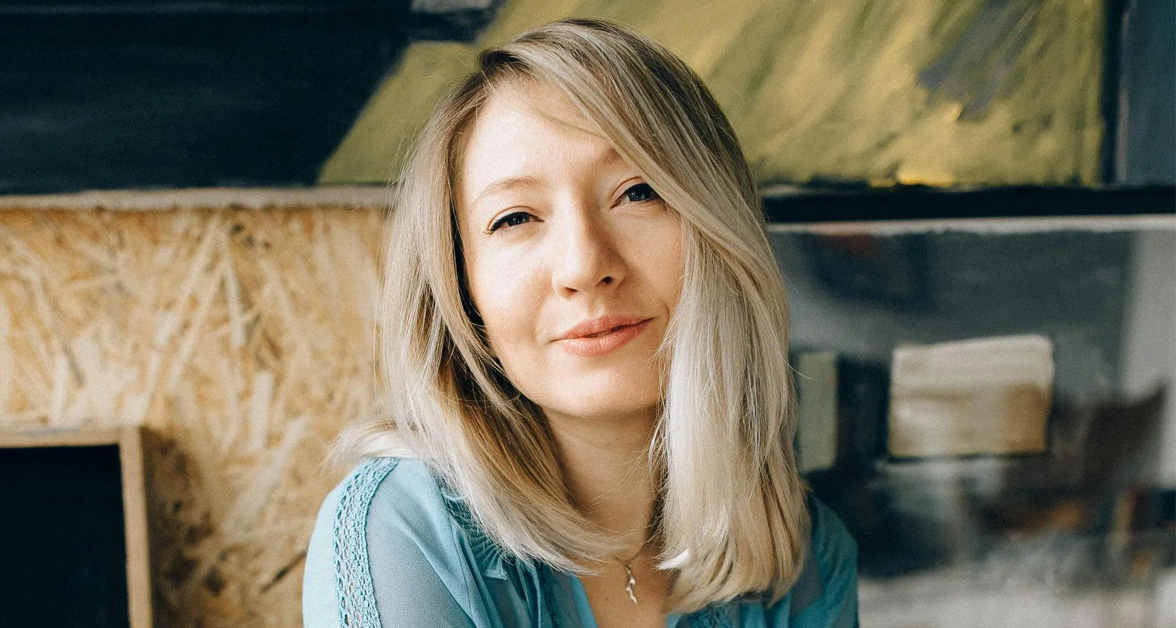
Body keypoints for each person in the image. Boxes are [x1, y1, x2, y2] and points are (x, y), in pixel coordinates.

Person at [302, 18, 858, 628]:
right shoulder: (403, 530)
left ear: (720, 230)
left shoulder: (806, 559)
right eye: (515, 218)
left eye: (637, 192)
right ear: (463, 289)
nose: (584, 267)